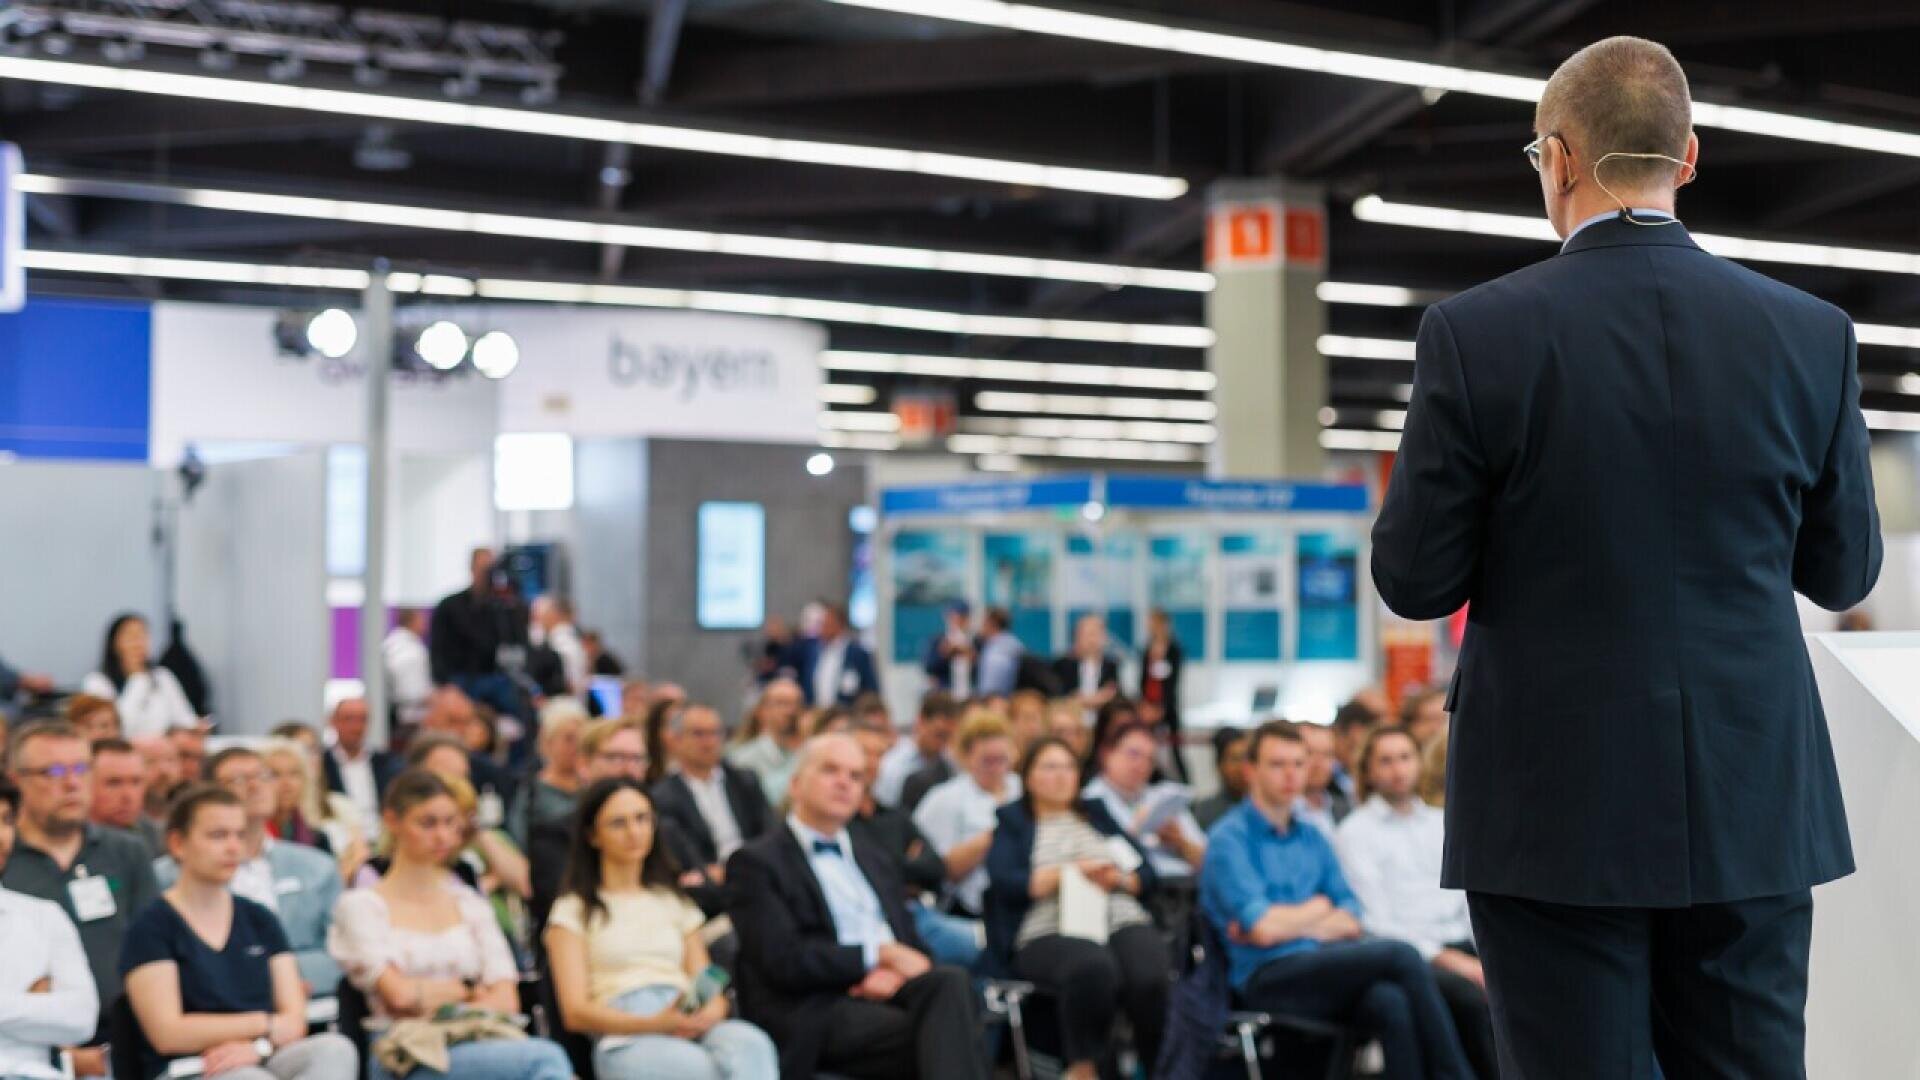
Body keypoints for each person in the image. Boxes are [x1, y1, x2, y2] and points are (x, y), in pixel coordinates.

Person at [1371, 37, 1884, 1080]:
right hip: (1752, 798)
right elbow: (1843, 574)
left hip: (1548, 809)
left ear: (1558, 160)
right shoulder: (1813, 334)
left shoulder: (1475, 334)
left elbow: (1415, 580)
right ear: (1688, 157)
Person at [1201, 723, 1470, 1080]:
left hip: (1322, 965)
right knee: (1400, 954)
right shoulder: (1229, 839)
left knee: (1389, 1001)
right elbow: (1263, 929)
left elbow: (1351, 916)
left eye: (1299, 763)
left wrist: (1290, 920)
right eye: (1278, 764)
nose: (1291, 774)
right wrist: (1318, 910)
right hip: (1266, 977)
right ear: (1251, 770)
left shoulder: (1312, 836)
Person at [725, 734, 985, 1080]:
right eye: (830, 770)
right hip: (817, 1003)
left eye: (855, 775)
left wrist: (895, 971)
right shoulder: (756, 862)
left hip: (891, 988)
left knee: (953, 984)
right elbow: (782, 959)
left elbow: (910, 941)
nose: (844, 782)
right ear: (795, 784)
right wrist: (874, 957)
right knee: (942, 1031)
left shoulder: (873, 855)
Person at [327, 771, 573, 1080]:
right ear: (392, 821)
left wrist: (428, 994)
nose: (442, 835)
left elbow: (507, 1000)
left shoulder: (468, 902)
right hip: (405, 1049)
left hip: (479, 1037)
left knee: (543, 1061)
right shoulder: (361, 906)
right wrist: (470, 989)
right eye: (427, 823)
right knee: (545, 1060)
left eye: (450, 823)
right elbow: (398, 996)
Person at [545, 778, 778, 1080]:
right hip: (625, 1031)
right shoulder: (573, 908)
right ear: (593, 835)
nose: (634, 832)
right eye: (618, 823)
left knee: (752, 1044)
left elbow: (708, 982)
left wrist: (703, 1016)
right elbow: (575, 1011)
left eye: (642, 819)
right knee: (698, 1068)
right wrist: (655, 1023)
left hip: (685, 1010)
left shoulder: (672, 899)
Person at [122, 785, 357, 1080]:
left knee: (334, 1049)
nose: (233, 847)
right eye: (218, 836)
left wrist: (259, 1046)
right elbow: (168, 1032)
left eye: (240, 835)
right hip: (192, 1067)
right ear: (178, 843)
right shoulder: (150, 926)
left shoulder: (259, 918)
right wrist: (264, 1024)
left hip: (262, 1053)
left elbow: (294, 1018)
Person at [984, 738, 1165, 1079]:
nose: (1061, 776)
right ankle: (1084, 1067)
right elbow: (1004, 882)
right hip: (1050, 925)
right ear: (1028, 777)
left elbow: (1147, 874)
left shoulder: (1096, 814)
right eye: (1050, 767)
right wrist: (1067, 873)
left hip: (1118, 914)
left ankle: (1160, 1068)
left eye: (1069, 767)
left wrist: (1117, 877)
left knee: (1150, 973)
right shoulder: (1014, 822)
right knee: (1093, 965)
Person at [1336, 727, 1495, 1079]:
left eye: (1405, 757)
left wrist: (1486, 954)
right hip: (1413, 954)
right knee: (1471, 1001)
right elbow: (1375, 921)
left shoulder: (1442, 822)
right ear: (1368, 771)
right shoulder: (1355, 832)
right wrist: (1447, 958)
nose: (1398, 769)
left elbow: (1466, 898)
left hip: (1464, 943)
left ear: (1419, 762)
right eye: (1386, 761)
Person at [2, 722, 158, 1079]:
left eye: (81, 769)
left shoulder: (127, 851)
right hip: (30, 1048)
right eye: (54, 772)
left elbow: (152, 955)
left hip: (126, 1039)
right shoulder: (5, 857)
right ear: (16, 780)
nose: (71, 783)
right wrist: (60, 1047)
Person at [153, 747, 343, 995]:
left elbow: (344, 952)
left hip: (315, 1001)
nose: (255, 786)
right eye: (238, 779)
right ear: (210, 792)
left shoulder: (317, 866)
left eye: (264, 775)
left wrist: (281, 978)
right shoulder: (168, 875)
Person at [848, 725, 980, 970]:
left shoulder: (894, 816)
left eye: (879, 755)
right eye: (865, 753)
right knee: (975, 947)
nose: (871, 763)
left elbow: (936, 869)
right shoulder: (839, 822)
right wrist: (905, 864)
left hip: (917, 911)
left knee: (983, 946)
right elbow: (869, 875)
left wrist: (896, 866)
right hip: (874, 920)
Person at [0, 775, 100, 1080]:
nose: (0, 835)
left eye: (5, 821)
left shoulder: (44, 916)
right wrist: (35, 1004)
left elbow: (82, 1018)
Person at [911, 711, 1021, 916]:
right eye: (988, 761)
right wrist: (998, 833)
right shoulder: (945, 798)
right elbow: (940, 870)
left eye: (1002, 759)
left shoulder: (1022, 788)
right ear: (967, 757)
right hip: (967, 907)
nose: (996, 768)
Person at [651, 705, 773, 885]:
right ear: (677, 740)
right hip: (708, 883)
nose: (709, 742)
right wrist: (710, 873)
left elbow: (768, 829)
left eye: (715, 733)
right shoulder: (663, 796)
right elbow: (681, 850)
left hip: (756, 872)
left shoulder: (744, 780)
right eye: (698, 734)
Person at [428, 548, 533, 738]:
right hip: (460, 679)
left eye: (491, 569)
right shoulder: (449, 606)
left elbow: (519, 643)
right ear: (472, 569)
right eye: (483, 569)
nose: (487, 575)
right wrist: (444, 684)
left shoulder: (505, 607)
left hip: (497, 678)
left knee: (522, 712)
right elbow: (437, 650)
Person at [1083, 722, 1205, 879]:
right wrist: (1134, 833)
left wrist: (1180, 843)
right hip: (1138, 886)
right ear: (1106, 754)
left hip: (1186, 884)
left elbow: (1209, 860)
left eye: (1150, 759)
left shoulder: (1163, 796)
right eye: (1134, 754)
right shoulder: (1089, 802)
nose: (1141, 765)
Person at [80, 614, 199, 739]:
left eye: (143, 635)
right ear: (114, 643)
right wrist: (137, 679)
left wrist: (194, 728)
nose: (138, 642)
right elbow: (118, 728)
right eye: (131, 636)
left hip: (164, 747)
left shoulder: (162, 677)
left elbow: (185, 720)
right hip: (121, 748)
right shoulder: (97, 682)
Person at [508, 697, 588, 850]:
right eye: (569, 739)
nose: (577, 746)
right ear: (548, 742)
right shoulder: (531, 791)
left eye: (581, 739)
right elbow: (519, 839)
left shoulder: (591, 786)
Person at [871, 691, 960, 810]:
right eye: (939, 734)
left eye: (949, 737)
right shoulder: (893, 765)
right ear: (921, 721)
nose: (944, 744)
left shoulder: (952, 764)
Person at [725, 679, 806, 806]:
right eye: (782, 703)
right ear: (762, 711)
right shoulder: (742, 760)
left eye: (797, 704)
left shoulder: (809, 753)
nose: (790, 711)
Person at [321, 698, 389, 830]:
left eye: (362, 719)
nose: (356, 727)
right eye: (349, 719)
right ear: (333, 722)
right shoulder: (322, 764)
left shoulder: (386, 763)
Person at [90, 737, 164, 855]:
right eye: (114, 783)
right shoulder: (67, 840)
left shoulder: (153, 835)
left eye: (136, 782)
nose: (128, 795)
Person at [794, 605, 879, 708]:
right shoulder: (812, 650)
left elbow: (870, 688)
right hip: (816, 711)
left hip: (847, 712)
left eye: (826, 623)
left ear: (839, 624)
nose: (822, 628)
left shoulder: (857, 653)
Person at [1137, 608, 1187, 781]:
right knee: (1148, 748)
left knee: (1175, 749)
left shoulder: (1174, 649)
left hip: (1167, 707)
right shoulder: (1147, 649)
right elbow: (1143, 679)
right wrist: (1144, 704)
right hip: (1148, 706)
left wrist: (1162, 707)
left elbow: (1173, 682)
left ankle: (1185, 783)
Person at [1051, 615, 1119, 728]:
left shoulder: (1112, 666)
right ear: (1076, 638)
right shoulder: (1062, 665)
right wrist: (1092, 700)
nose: (1091, 640)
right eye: (1086, 634)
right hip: (1071, 725)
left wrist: (1084, 700)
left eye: (1095, 634)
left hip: (1103, 727)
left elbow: (1115, 697)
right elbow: (1057, 699)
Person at [1293, 723, 1353, 837]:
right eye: (1309, 753)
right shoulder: (1278, 812)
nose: (1319, 763)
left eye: (1327, 754)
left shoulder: (1346, 806)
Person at [530, 596, 589, 698]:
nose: (540, 621)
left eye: (544, 615)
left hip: (561, 704)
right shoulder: (567, 641)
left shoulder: (562, 644)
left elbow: (570, 685)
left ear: (555, 615)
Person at [1194, 728, 1251, 831]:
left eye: (1247, 758)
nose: (1243, 766)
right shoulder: (1206, 811)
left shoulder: (1266, 808)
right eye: (1235, 759)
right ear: (1219, 765)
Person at [382, 610, 434, 721]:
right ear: (413, 621)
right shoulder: (410, 650)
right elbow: (410, 691)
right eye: (422, 620)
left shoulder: (392, 643)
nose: (426, 623)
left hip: (396, 712)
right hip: (409, 717)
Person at [1329, 699, 1379, 806]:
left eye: (1362, 749)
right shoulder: (1327, 778)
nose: (1357, 756)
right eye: (1352, 747)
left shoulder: (1372, 780)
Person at [920, 602, 975, 697]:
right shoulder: (938, 641)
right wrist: (945, 653)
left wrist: (971, 656)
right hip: (946, 694)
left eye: (962, 618)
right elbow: (928, 666)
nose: (957, 621)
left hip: (969, 694)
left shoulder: (974, 640)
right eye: (953, 617)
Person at [973, 607, 1025, 698]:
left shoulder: (1001, 648)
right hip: (995, 698)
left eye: (984, 623)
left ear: (991, 623)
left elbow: (992, 686)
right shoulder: (995, 644)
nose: (981, 627)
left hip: (997, 699)